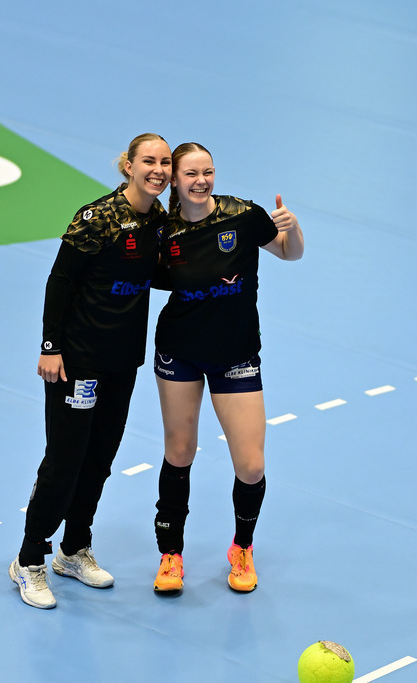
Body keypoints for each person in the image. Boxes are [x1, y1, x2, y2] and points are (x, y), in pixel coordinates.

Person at [10, 133, 172, 609]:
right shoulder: (97, 217)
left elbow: (155, 272)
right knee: (64, 461)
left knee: (99, 460)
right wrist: (51, 346)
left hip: (123, 360)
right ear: (128, 165)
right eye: (149, 161)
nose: (158, 170)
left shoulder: (160, 219)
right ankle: (29, 560)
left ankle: (73, 548)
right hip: (77, 361)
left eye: (165, 162)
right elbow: (60, 280)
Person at [150, 142, 304, 594]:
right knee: (180, 453)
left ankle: (242, 548)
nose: (201, 181)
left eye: (208, 172)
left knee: (251, 465)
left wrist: (292, 229)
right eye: (191, 174)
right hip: (179, 350)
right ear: (175, 181)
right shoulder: (164, 231)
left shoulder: (242, 215)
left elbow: (289, 253)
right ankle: (171, 555)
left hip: (235, 354)